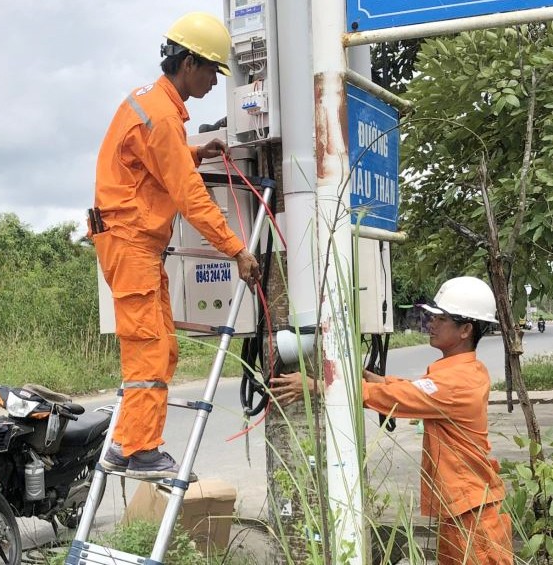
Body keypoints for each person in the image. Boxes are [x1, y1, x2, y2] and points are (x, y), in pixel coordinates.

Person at [89, 12, 260, 481]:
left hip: (135, 244)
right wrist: (236, 250)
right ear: (187, 63)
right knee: (148, 348)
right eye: (210, 71)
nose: (212, 81)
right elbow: (190, 197)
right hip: (130, 243)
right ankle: (142, 449)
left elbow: (150, 158)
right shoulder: (163, 115)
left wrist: (192, 152)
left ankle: (126, 444)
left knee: (162, 348)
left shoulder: (155, 107)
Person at [272, 276, 513, 564]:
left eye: (441, 318)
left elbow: (405, 398)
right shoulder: (464, 372)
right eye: (431, 315)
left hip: (473, 512)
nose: (431, 323)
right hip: (461, 507)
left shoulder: (457, 382)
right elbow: (417, 390)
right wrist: (381, 380)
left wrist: (318, 387)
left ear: (465, 329)